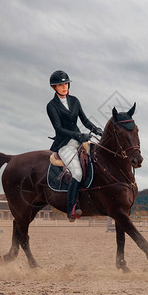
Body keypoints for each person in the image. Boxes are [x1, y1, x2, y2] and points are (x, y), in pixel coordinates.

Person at [46, 70, 103, 221]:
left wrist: (96, 130)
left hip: (80, 140)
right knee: (77, 173)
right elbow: (58, 129)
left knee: (98, 160)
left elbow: (84, 121)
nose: (64, 87)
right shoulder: (51, 106)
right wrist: (78, 135)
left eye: (65, 83)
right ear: (54, 88)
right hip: (65, 144)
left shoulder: (75, 100)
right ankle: (71, 208)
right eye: (60, 85)